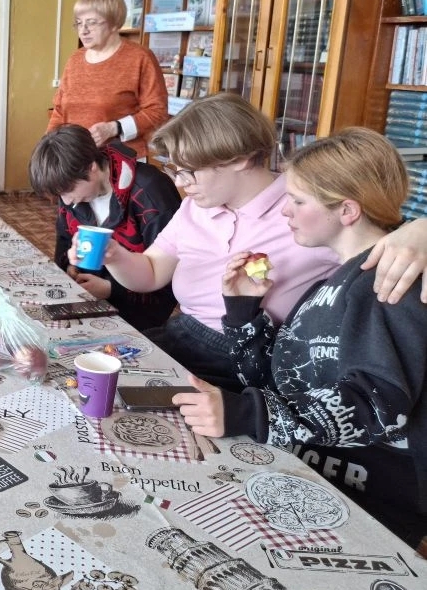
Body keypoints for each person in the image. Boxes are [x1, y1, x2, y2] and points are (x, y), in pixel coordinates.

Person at [174, 128, 427, 551]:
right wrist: (243, 311)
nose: (285, 211)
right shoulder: (331, 282)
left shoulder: (391, 281)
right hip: (304, 471)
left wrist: (248, 415)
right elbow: (278, 380)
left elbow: (377, 402)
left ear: (346, 210)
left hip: (368, 503)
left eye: (298, 201)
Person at [95, 93, 427, 391]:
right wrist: (114, 255)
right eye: (175, 170)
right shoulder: (197, 205)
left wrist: (420, 229)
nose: (181, 184)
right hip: (182, 334)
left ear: (239, 159)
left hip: (246, 359)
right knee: (94, 370)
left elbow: (374, 236)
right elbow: (152, 272)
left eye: (190, 171)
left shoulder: (309, 209)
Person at [29, 124, 180, 331]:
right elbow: (64, 243)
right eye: (60, 195)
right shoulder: (72, 195)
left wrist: (111, 289)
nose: (66, 201)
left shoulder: (150, 192)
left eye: (68, 190)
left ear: (91, 167)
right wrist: (70, 269)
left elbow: (170, 275)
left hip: (139, 316)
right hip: (86, 301)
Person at [47, 0, 168, 157]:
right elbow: (59, 111)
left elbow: (157, 112)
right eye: (79, 23)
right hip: (75, 158)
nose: (83, 30)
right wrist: (48, 148)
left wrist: (114, 128)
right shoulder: (74, 60)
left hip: (120, 160)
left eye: (92, 22)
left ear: (114, 23)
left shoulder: (140, 58)